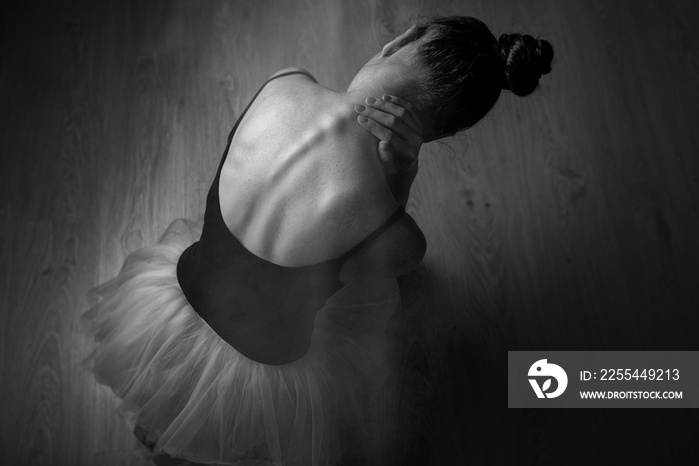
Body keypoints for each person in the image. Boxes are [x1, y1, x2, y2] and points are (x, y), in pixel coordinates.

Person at [82, 15, 553, 466]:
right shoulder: (401, 240)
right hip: (263, 367)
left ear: (400, 40)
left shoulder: (283, 82)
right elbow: (383, 248)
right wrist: (402, 170)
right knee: (374, 288)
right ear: (440, 134)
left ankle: (162, 433)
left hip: (175, 305)